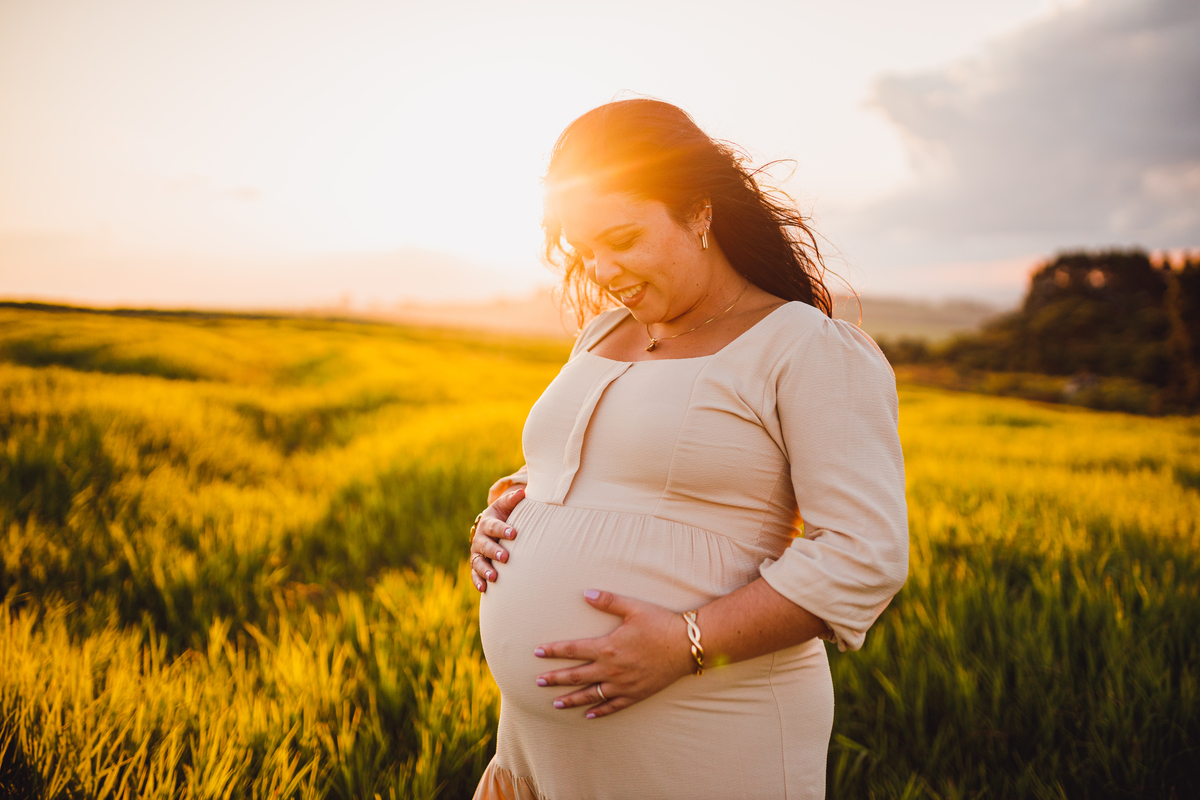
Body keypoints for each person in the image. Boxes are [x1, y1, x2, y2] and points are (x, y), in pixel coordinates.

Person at [467, 98, 908, 800]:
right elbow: (586, 472)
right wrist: (509, 510)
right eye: (584, 250)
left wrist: (686, 642)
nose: (602, 269)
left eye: (623, 238)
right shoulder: (604, 333)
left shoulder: (805, 347)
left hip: (706, 734)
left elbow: (864, 552)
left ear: (700, 212)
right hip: (537, 747)